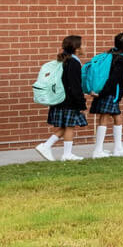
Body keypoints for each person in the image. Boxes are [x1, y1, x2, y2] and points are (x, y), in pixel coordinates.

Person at [35, 34, 87, 162]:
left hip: (60, 99)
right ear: (76, 48)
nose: (85, 47)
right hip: (69, 101)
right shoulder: (74, 63)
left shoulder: (63, 61)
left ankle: (46, 146)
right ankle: (66, 154)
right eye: (83, 45)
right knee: (69, 126)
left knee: (66, 126)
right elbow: (75, 86)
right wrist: (82, 104)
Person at [88, 31, 123, 159]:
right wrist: (102, 93)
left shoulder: (111, 54)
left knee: (117, 117)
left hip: (105, 91)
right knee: (104, 117)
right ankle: (98, 151)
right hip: (109, 93)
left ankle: (118, 148)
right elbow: (114, 79)